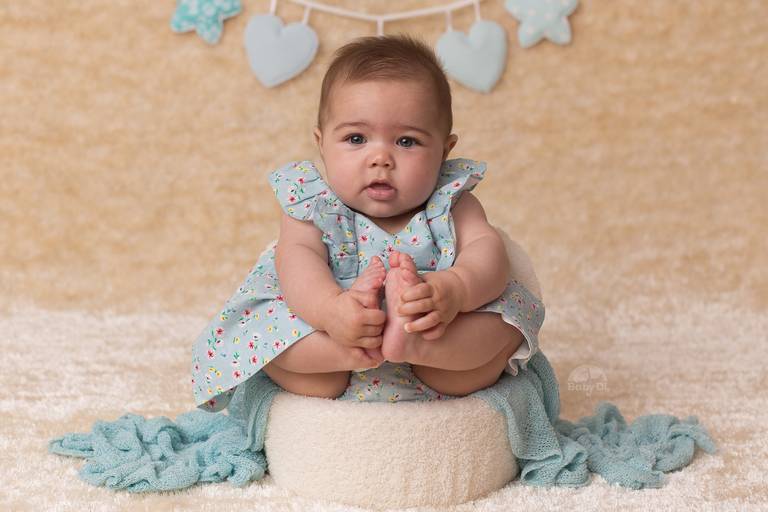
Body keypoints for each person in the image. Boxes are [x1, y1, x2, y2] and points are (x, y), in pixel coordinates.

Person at [191, 34, 545, 412]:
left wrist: (456, 289)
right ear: (322, 143)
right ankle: (348, 354)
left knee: (503, 328)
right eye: (356, 138)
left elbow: (486, 250)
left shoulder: (451, 202)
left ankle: (416, 346)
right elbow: (296, 264)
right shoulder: (314, 205)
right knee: (272, 338)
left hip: (435, 337)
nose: (380, 158)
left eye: (406, 142)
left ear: (444, 150)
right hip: (329, 340)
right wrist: (330, 311)